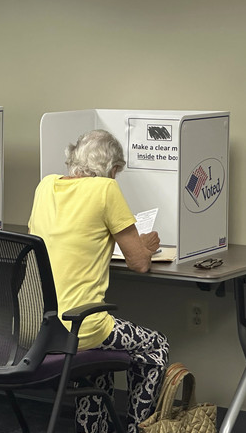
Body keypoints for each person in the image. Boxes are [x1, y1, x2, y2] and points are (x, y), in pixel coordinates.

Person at [27, 129, 169, 433]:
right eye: (116, 172)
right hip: (80, 326)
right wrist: (148, 245)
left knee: (98, 366)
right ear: (110, 169)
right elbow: (140, 263)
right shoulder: (106, 189)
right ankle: (137, 429)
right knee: (156, 347)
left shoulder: (45, 186)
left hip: (39, 324)